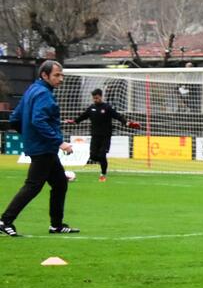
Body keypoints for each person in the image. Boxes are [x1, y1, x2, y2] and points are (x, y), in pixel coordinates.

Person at [2, 61, 78, 236]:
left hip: (41, 146)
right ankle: (5, 220)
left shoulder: (32, 90)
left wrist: (29, 136)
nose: (61, 78)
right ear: (44, 75)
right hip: (44, 147)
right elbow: (39, 121)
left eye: (61, 75)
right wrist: (60, 142)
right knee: (33, 185)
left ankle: (56, 225)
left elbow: (15, 118)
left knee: (59, 183)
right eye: (56, 75)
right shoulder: (44, 94)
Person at [64, 88, 140, 181]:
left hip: (105, 136)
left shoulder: (107, 107)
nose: (95, 100)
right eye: (94, 98)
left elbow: (118, 116)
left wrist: (127, 123)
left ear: (101, 97)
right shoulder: (91, 108)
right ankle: (103, 163)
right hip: (95, 136)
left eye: (97, 98)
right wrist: (74, 121)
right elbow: (82, 117)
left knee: (102, 155)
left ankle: (103, 174)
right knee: (93, 156)